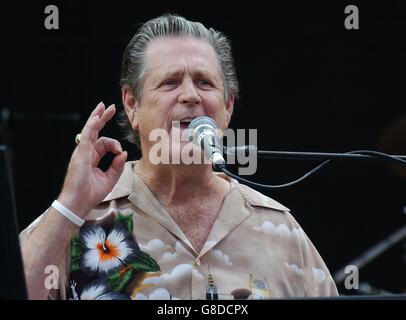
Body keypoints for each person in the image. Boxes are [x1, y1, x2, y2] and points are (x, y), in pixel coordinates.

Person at [19, 14, 338, 300]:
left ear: (227, 107)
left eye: (205, 82)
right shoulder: (75, 218)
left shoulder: (281, 232)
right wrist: (69, 207)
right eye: (170, 82)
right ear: (132, 105)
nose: (190, 95)